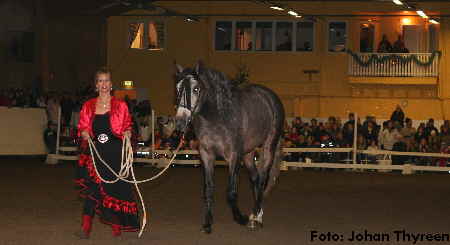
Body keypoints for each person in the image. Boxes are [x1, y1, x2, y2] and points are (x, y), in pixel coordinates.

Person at [75, 68, 139, 238]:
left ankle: (116, 226)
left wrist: (127, 133)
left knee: (115, 190)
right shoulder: (88, 106)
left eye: (106, 81)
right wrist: (84, 133)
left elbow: (127, 126)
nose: (104, 84)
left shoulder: (121, 105)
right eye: (100, 81)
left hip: (115, 155)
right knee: (92, 190)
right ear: (96, 85)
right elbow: (82, 126)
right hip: (96, 154)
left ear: (111, 85)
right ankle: (85, 227)